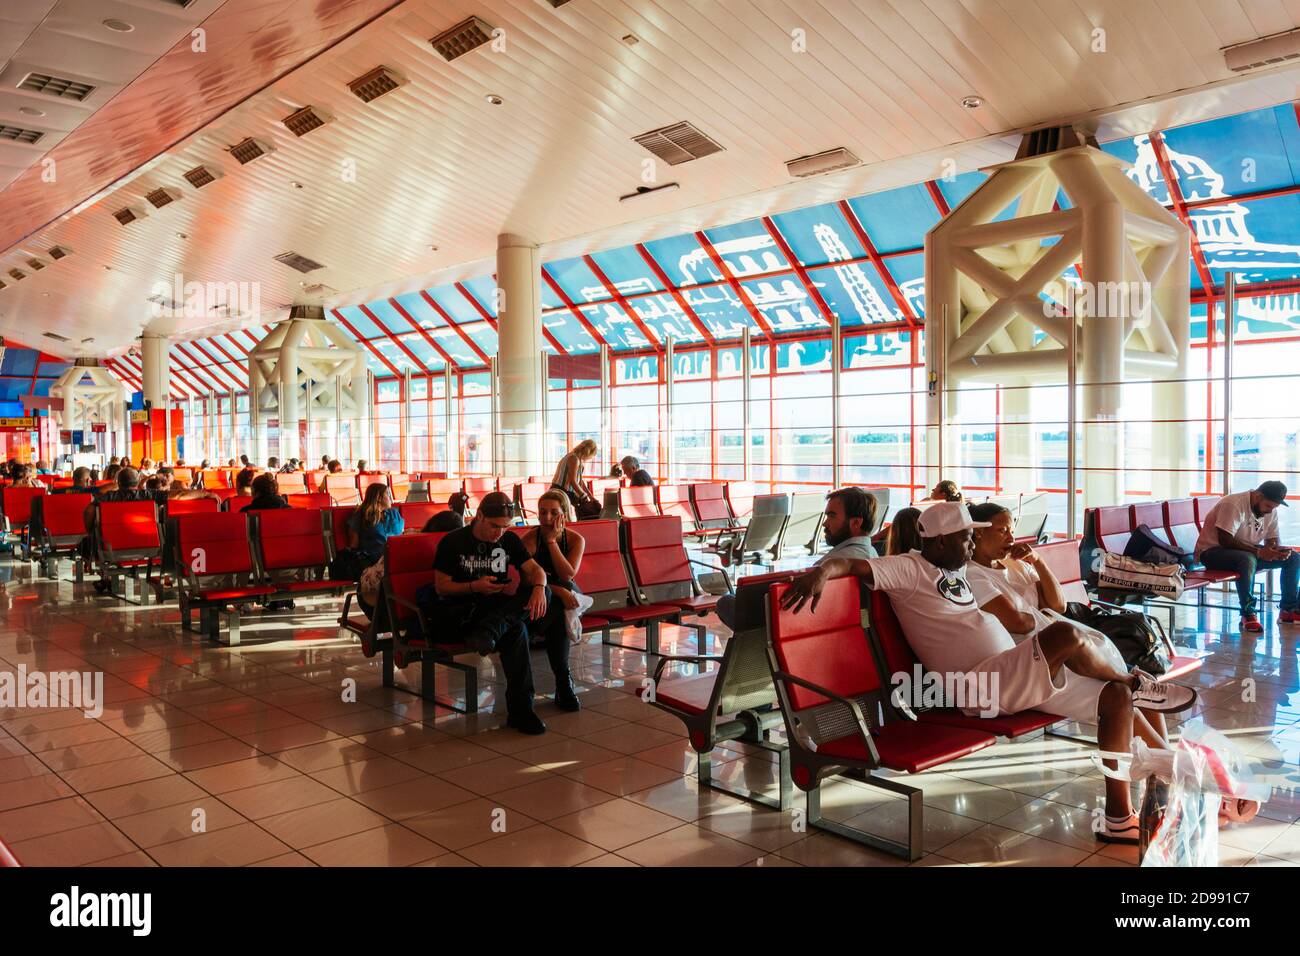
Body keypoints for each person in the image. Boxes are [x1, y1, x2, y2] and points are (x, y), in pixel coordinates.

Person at [779, 501, 1196, 844]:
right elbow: (854, 567)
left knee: (1115, 700)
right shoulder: (909, 569)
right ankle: (1135, 686)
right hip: (981, 686)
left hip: (1014, 674)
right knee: (1065, 636)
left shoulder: (955, 567)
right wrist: (820, 571)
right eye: (966, 536)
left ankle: (1119, 817)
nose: (972, 541)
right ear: (939, 540)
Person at [430, 492, 560, 734]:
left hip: (494, 610)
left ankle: (492, 629)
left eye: (505, 527)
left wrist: (540, 588)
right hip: (463, 610)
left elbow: (536, 570)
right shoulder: (453, 542)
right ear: (479, 516)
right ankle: (522, 711)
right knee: (517, 629)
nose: (499, 533)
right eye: (494, 526)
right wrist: (474, 586)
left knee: (546, 593)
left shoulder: (508, 541)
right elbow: (442, 586)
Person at [716, 487, 877, 631]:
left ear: (856, 522)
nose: (825, 523)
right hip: (833, 627)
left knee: (725, 602)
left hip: (793, 625)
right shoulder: (873, 559)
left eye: (832, 516)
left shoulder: (832, 565)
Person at [1195, 481, 1297, 633]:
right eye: (1268, 506)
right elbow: (1226, 540)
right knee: (1248, 559)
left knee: (1294, 558)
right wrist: (1259, 552)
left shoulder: (1270, 511)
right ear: (1258, 496)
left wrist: (1276, 551)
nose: (1270, 511)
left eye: (1274, 507)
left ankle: (1288, 610)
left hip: (1246, 553)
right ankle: (1248, 613)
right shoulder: (1233, 504)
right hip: (1212, 553)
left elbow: (1271, 540)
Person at [517, 490, 587, 707]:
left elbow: (567, 573)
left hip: (563, 604)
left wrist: (551, 542)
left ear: (564, 514)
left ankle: (562, 681)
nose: (547, 518)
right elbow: (528, 581)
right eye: (542, 512)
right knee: (559, 606)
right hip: (534, 602)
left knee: (562, 599)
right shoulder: (529, 540)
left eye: (553, 512)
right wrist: (559, 591)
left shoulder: (575, 540)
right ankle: (563, 682)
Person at [347, 482, 405, 616]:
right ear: (379, 497)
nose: (390, 498)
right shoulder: (361, 516)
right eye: (387, 495)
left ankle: (395, 612)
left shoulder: (394, 514)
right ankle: (385, 612)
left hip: (393, 558)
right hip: (373, 559)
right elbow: (354, 545)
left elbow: (400, 536)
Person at [551, 439, 600, 518]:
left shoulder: (576, 458)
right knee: (589, 508)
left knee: (586, 505)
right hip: (561, 491)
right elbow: (573, 481)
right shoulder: (574, 459)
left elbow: (580, 481)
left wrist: (590, 496)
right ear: (589, 453)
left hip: (562, 490)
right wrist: (584, 496)